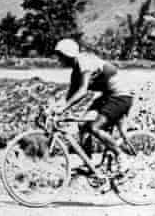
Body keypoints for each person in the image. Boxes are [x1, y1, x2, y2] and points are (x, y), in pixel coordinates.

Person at [51, 38, 133, 174]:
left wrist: (63, 108)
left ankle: (121, 156)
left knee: (94, 127)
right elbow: (69, 96)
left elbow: (82, 91)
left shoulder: (84, 62)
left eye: (60, 56)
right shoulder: (75, 71)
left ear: (67, 55)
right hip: (107, 96)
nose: (58, 59)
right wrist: (55, 108)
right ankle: (88, 163)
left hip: (121, 96)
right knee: (83, 125)